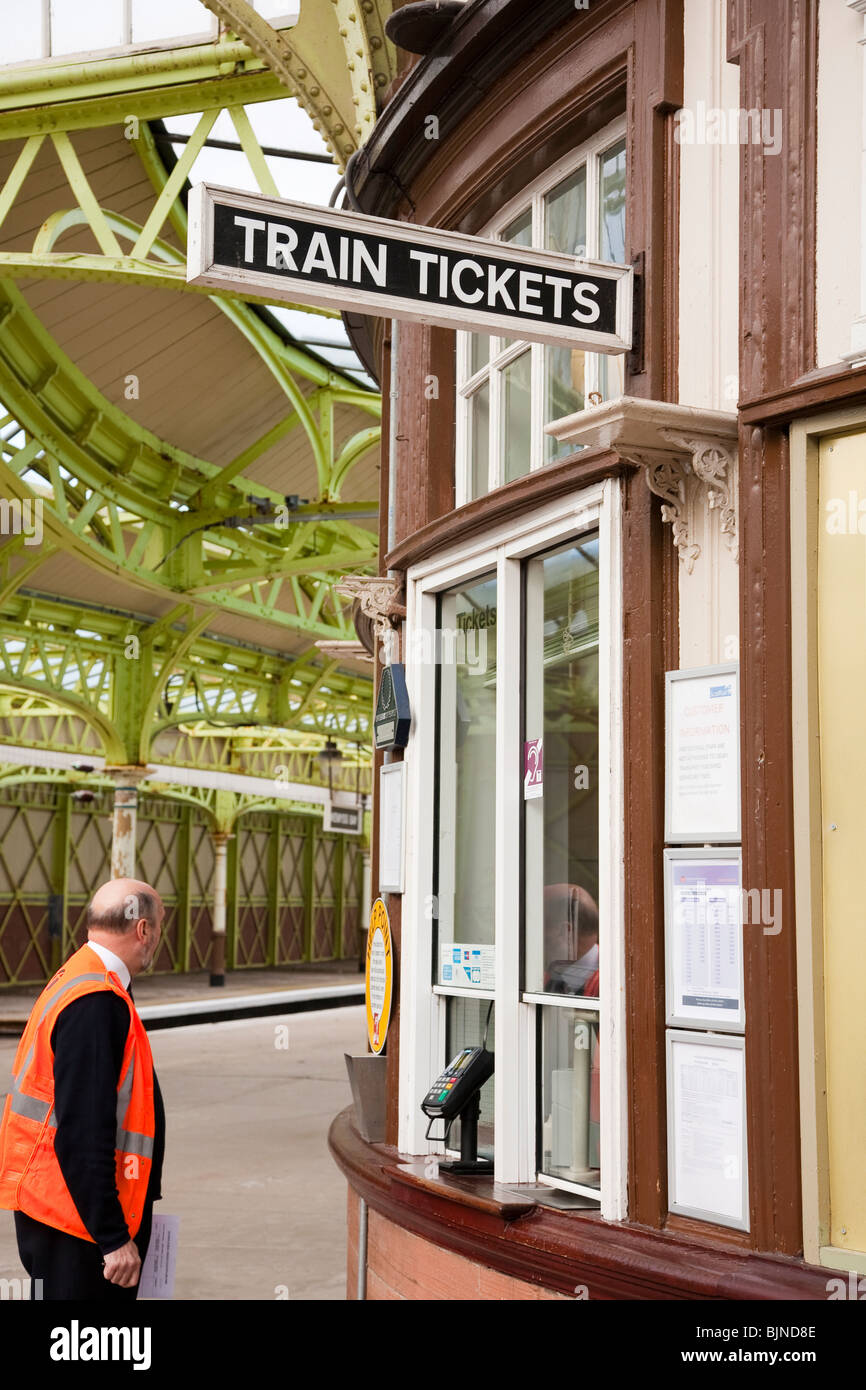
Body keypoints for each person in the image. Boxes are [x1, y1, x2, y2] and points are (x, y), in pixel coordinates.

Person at [0, 878, 166, 1300]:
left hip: (57, 1209)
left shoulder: (77, 976)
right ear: (143, 930)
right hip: (75, 1225)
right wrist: (112, 1237)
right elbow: (83, 1130)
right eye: (161, 924)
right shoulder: (96, 1001)